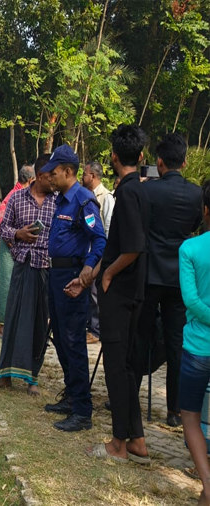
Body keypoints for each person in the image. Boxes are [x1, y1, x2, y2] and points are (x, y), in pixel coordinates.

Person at [79, 125, 151, 464]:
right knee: (125, 366)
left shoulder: (127, 195)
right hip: (133, 290)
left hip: (120, 292)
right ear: (141, 156)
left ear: (112, 157)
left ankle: (118, 443)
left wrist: (106, 273)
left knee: (117, 369)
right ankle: (137, 439)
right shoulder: (142, 190)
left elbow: (133, 247)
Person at [136, 132, 203, 428]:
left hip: (150, 274)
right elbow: (194, 227)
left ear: (159, 162)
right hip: (180, 277)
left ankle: (129, 396)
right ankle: (175, 409)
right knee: (177, 342)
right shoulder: (197, 194)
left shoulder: (148, 192)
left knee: (140, 335)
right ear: (185, 162)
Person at [42, 143, 106, 432]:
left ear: (68, 172)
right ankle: (71, 396)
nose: (49, 177)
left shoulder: (83, 200)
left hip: (72, 277)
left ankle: (82, 410)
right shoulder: (60, 199)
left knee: (74, 342)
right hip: (55, 276)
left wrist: (87, 273)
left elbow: (100, 240)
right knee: (61, 338)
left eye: (53, 173)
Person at [0, 155, 54, 395]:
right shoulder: (17, 198)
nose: (53, 181)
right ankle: (5, 375)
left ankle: (33, 379)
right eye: (50, 176)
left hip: (45, 269)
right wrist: (18, 234)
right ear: (39, 176)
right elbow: (4, 227)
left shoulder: (57, 202)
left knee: (40, 322)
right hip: (22, 265)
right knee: (14, 320)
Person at [178, 179, 210, 506]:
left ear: (205, 211)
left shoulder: (190, 249)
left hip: (198, 347)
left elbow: (192, 302)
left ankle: (208, 485)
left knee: (190, 416)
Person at [0, 165, 36, 338]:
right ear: (31, 180)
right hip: (10, 245)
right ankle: (5, 325)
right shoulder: (16, 195)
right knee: (7, 284)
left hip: (14, 243)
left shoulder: (17, 192)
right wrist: (11, 238)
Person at [81, 161, 116, 345]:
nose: (82, 177)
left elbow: (109, 227)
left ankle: (96, 331)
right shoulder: (85, 195)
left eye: (85, 174)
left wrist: (104, 255)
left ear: (93, 176)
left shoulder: (106, 197)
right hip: (87, 253)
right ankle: (88, 327)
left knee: (95, 293)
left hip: (99, 253)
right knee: (86, 290)